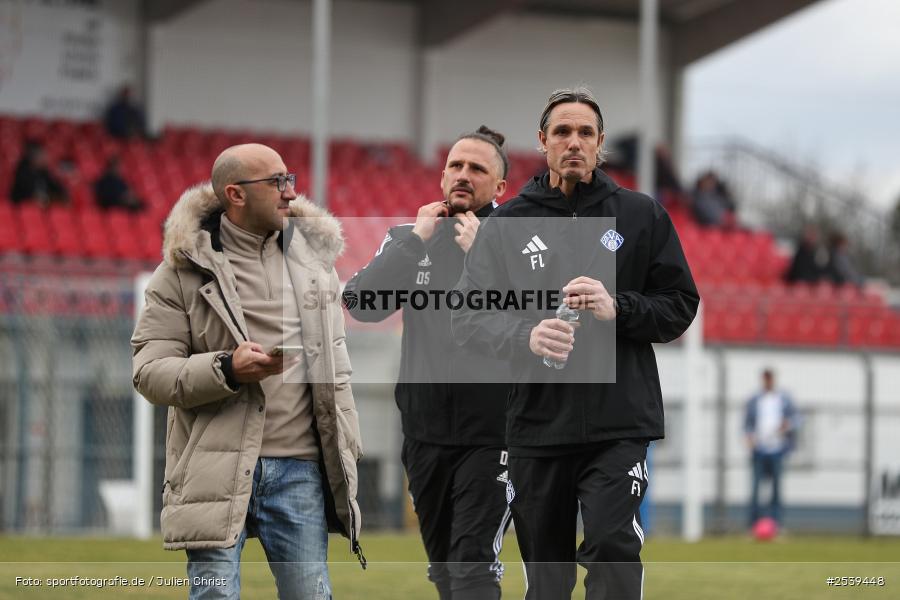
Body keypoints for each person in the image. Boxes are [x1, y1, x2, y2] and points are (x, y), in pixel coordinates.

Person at [452, 88, 699, 600]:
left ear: (600, 143)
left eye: (585, 132)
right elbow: (469, 318)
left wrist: (619, 307)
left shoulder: (640, 215)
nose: (574, 142)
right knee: (548, 578)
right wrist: (528, 333)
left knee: (611, 547)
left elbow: (679, 303)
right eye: (562, 131)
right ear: (542, 141)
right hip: (537, 427)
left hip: (618, 422)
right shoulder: (507, 224)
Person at [131, 143, 363, 600]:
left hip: (301, 470)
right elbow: (150, 372)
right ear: (235, 194)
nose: (291, 193)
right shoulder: (180, 272)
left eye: (290, 178)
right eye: (276, 182)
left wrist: (349, 449)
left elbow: (338, 373)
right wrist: (227, 369)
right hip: (213, 469)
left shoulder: (318, 267)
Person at [343, 126, 513, 600]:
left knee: (474, 565)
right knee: (444, 571)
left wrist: (483, 254)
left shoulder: (517, 240)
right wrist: (415, 241)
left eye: (477, 168)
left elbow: (533, 320)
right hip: (424, 431)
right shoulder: (409, 236)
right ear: (442, 176)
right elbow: (361, 302)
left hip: (494, 432)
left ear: (499, 187)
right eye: (455, 166)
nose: (463, 175)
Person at [744, 368, 799, 530]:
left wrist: (787, 425)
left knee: (776, 490)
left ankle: (776, 525)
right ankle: (753, 525)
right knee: (755, 490)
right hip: (759, 450)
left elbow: (797, 419)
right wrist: (749, 437)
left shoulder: (783, 399)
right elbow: (747, 424)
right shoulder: (755, 400)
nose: (767, 382)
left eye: (770, 379)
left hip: (777, 450)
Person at [10, 140, 68, 205]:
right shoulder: (22, 173)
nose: (44, 158)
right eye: (41, 155)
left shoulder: (44, 172)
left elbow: (55, 186)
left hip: (42, 205)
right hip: (24, 206)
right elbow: (25, 193)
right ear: (33, 157)